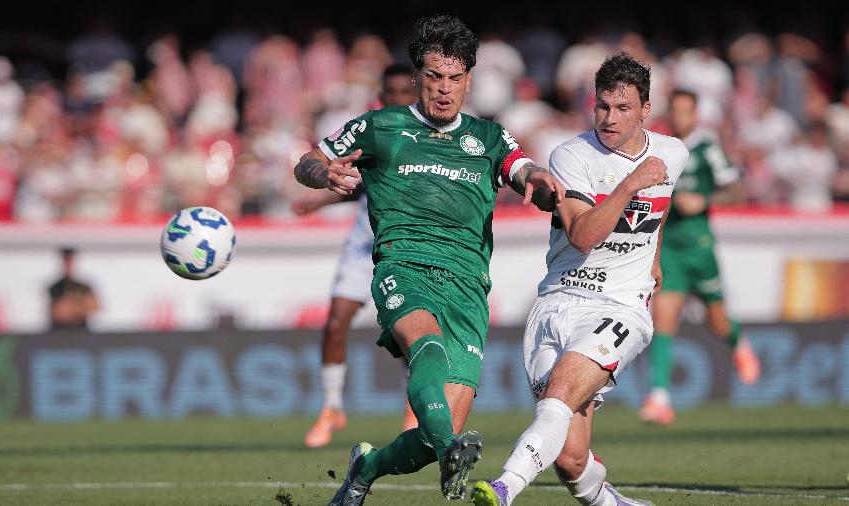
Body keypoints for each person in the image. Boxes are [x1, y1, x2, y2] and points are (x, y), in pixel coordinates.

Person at [293, 15, 564, 504]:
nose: (444, 89)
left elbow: (523, 172)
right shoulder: (382, 126)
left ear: (469, 80)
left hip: (468, 287)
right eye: (434, 76)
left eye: (455, 78)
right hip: (405, 266)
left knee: (426, 439)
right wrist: (322, 171)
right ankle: (450, 448)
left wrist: (541, 184)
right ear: (416, 77)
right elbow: (307, 161)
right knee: (426, 346)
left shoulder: (488, 137)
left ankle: (366, 468)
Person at [472, 53, 687, 506]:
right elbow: (583, 234)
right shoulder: (571, 155)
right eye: (603, 106)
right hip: (557, 301)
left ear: (645, 109)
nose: (610, 117)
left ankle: (504, 487)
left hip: (620, 306)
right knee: (570, 459)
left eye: (623, 108)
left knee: (562, 391)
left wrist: (654, 260)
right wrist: (631, 184)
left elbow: (658, 210)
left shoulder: (672, 153)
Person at [299, 63, 419, 449]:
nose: (399, 100)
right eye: (392, 94)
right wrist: (319, 200)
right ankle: (332, 406)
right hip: (364, 243)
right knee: (335, 323)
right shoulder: (369, 132)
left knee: (405, 335)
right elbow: (353, 178)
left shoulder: (428, 137)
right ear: (381, 98)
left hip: (403, 247)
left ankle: (413, 406)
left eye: (406, 93)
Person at [638, 89, 760, 426]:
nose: (679, 117)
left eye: (685, 111)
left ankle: (737, 341)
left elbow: (736, 190)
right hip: (670, 246)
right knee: (664, 319)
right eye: (674, 110)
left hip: (700, 247)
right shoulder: (660, 148)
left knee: (717, 321)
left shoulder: (707, 148)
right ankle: (659, 397)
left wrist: (703, 200)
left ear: (695, 114)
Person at [48, 247, 100, 330]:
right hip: (60, 332)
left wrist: (72, 309)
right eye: (66, 261)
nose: (68, 265)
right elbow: (57, 313)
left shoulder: (83, 287)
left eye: (70, 261)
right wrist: (78, 307)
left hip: (80, 331)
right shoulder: (56, 287)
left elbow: (94, 307)